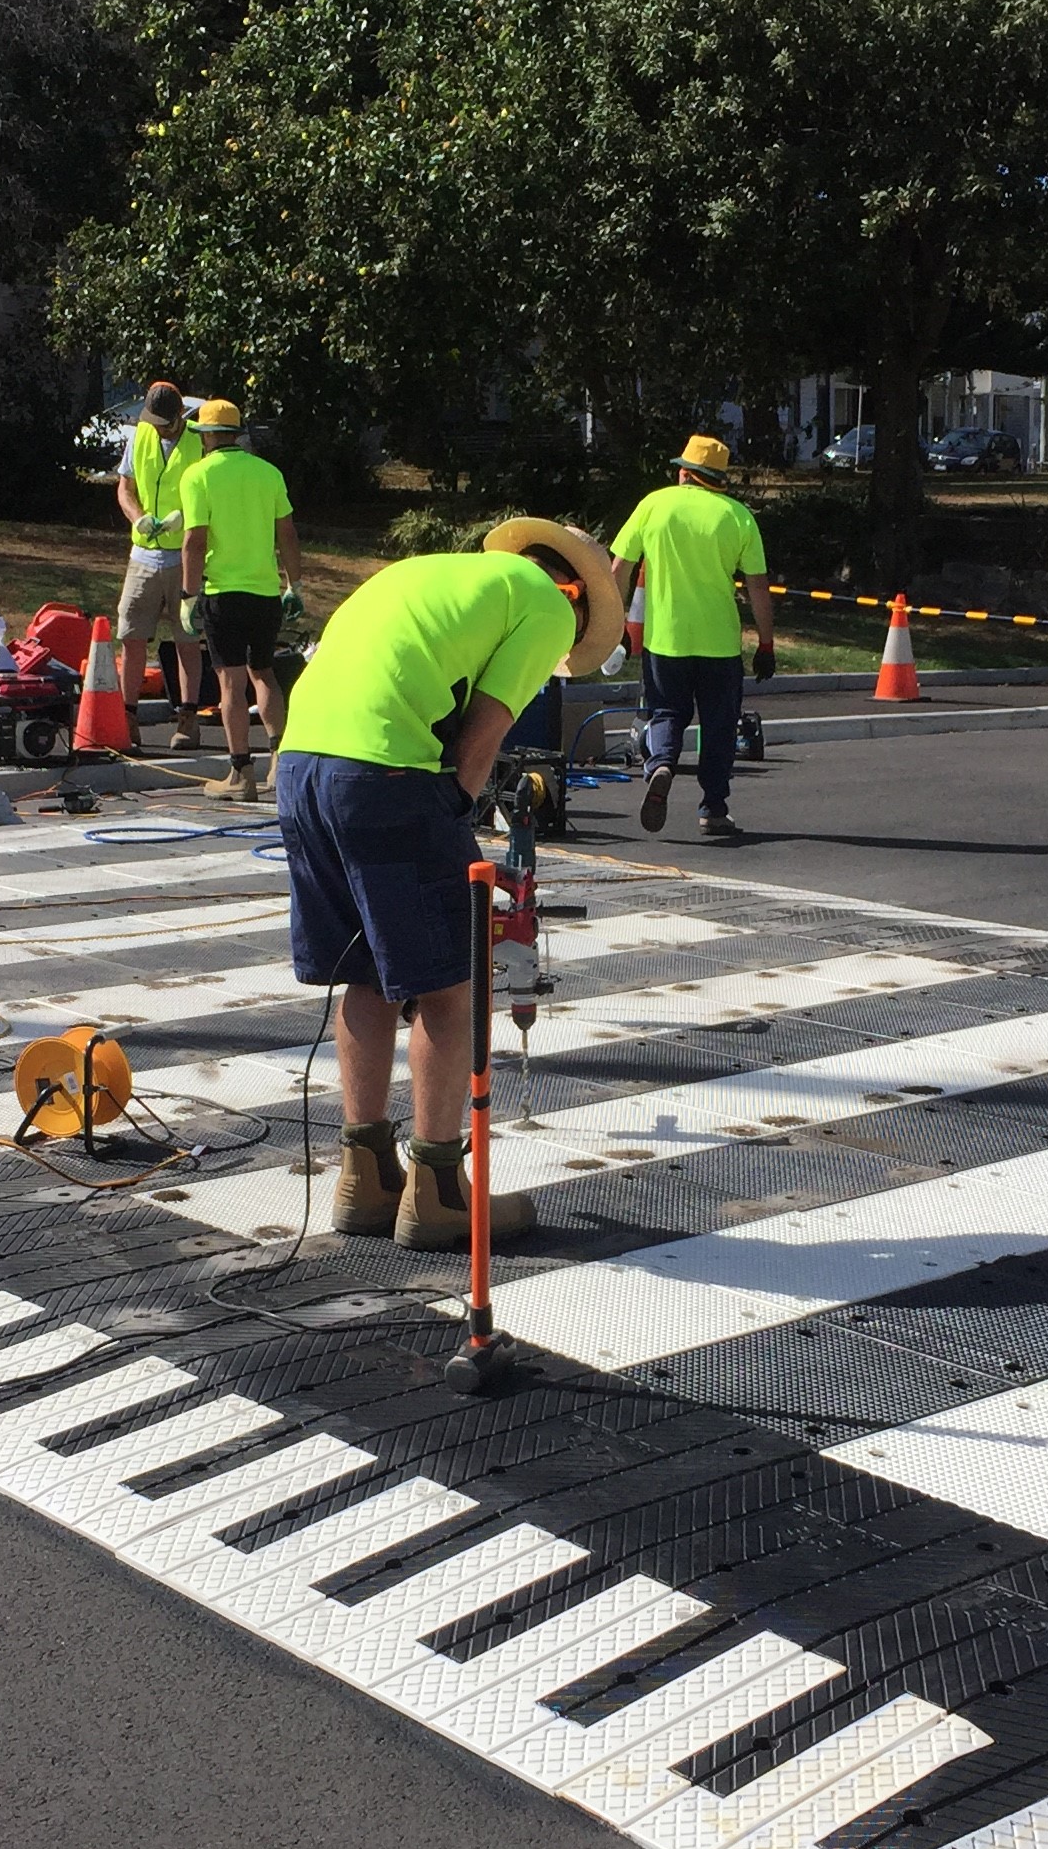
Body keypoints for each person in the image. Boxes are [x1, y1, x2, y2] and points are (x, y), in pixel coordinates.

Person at [276, 520, 624, 1252]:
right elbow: (482, 737)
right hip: (385, 774)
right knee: (447, 987)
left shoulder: (435, 576)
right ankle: (437, 1193)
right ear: (576, 592)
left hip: (300, 766)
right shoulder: (546, 603)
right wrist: (454, 822)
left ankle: (364, 1178)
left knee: (366, 973)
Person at [611, 432, 776, 839]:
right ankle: (713, 809)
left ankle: (661, 765)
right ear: (718, 477)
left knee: (666, 712)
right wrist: (766, 644)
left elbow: (619, 569)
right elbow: (758, 586)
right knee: (719, 725)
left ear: (685, 473)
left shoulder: (653, 505)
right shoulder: (738, 517)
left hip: (665, 642)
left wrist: (617, 628)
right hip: (719, 645)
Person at [176, 399, 303, 804]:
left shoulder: (198, 476)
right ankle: (279, 759)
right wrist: (294, 585)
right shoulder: (268, 473)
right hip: (265, 592)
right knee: (263, 672)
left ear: (208, 436)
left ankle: (240, 771)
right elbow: (287, 534)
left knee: (230, 681)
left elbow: (194, 541)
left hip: (223, 592)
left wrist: (188, 595)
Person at [111, 381, 210, 748]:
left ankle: (188, 718)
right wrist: (138, 518)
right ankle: (127, 716)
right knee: (132, 635)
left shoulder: (200, 440)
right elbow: (125, 488)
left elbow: (213, 492)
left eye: (165, 424)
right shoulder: (141, 436)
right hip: (143, 555)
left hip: (186, 554)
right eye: (153, 422)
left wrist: (187, 517)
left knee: (187, 638)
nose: (158, 429)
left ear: (180, 416)